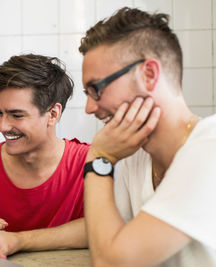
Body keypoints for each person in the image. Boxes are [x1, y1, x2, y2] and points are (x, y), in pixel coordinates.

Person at [79, 7, 216, 267]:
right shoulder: (136, 156)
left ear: (149, 74)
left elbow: (110, 261)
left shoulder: (211, 148)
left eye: (95, 89)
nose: (89, 108)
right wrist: (20, 240)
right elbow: (103, 230)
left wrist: (99, 159)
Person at [0, 54, 90, 258]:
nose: (2, 126)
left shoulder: (89, 162)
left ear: (53, 114)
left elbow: (99, 228)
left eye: (17, 115)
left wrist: (18, 240)